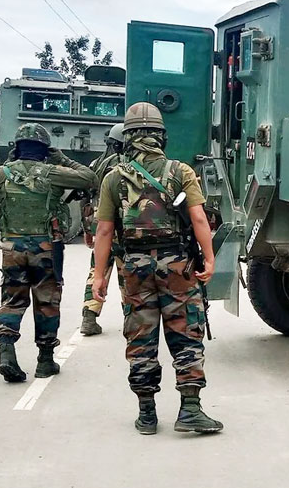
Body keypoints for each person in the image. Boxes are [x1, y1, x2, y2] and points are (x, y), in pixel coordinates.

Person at [92, 102, 219, 435]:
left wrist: (98, 277)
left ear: (129, 137)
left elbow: (104, 231)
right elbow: (199, 218)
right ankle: (190, 409)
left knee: (140, 336)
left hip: (133, 268)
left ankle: (147, 414)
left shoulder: (113, 178)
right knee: (186, 333)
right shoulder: (180, 172)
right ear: (161, 136)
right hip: (177, 265)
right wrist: (209, 258)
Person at [0, 123, 97, 383]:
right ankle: (45, 361)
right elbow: (90, 178)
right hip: (46, 248)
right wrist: (61, 157)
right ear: (44, 149)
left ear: (17, 147)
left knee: (12, 300)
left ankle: (6, 352)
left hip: (12, 247)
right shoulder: (53, 172)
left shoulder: (2, 173)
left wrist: (7, 165)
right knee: (47, 302)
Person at [80, 123, 126, 336]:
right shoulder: (131, 166)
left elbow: (86, 199)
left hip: (100, 227)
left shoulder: (96, 164)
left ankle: (89, 316)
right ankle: (131, 316)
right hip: (125, 229)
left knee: (97, 270)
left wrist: (87, 229)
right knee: (127, 272)